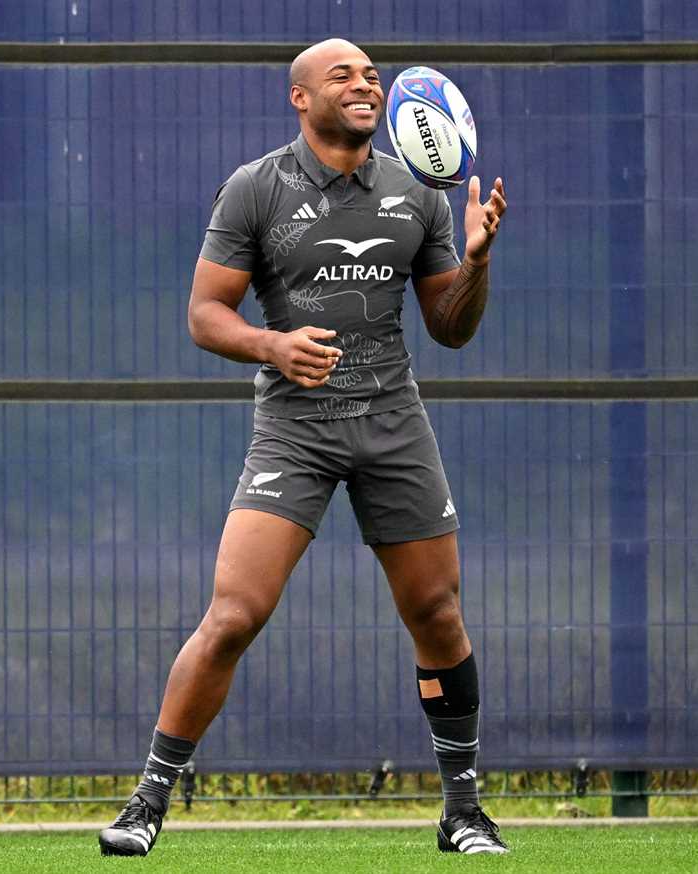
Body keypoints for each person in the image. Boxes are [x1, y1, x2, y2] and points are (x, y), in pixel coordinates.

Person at [99, 37, 508, 857]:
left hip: (393, 422)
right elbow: (205, 314)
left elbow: (451, 329)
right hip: (297, 428)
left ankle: (463, 812)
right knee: (234, 615)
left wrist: (475, 259)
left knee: (437, 612)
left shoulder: (418, 190)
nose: (364, 86)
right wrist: (272, 347)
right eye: (343, 77)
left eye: (370, 77)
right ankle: (147, 801)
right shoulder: (257, 188)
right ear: (301, 99)